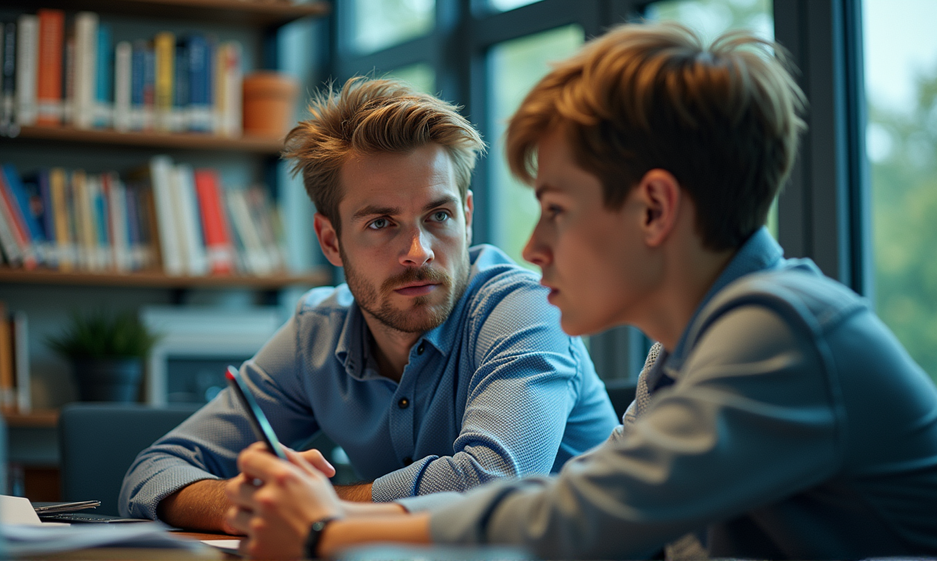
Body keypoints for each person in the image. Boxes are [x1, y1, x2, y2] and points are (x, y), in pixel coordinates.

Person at [222, 22, 937, 560]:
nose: (533, 247)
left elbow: (583, 516)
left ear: (654, 209)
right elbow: (564, 498)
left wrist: (326, 526)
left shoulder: (782, 330)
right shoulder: (685, 353)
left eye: (557, 208)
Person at [119, 77, 619, 532]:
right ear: (331, 240)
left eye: (439, 215)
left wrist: (318, 507)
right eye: (381, 223)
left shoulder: (526, 308)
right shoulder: (315, 335)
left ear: (467, 216)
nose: (418, 252)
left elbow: (491, 483)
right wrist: (249, 502)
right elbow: (152, 473)